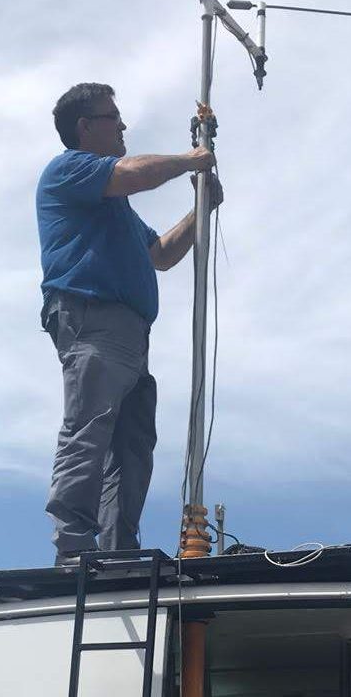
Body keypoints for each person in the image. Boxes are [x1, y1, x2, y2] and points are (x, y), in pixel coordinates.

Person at [37, 82, 222, 564]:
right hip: (93, 321)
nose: (122, 126)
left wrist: (202, 209)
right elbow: (135, 174)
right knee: (90, 430)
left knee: (130, 449)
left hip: (129, 335)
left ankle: (116, 550)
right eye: (112, 117)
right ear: (85, 127)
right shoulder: (69, 170)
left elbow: (160, 255)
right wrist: (190, 159)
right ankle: (74, 549)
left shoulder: (112, 207)